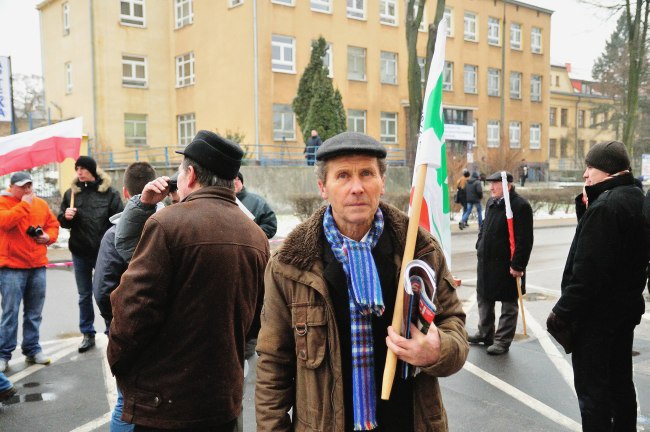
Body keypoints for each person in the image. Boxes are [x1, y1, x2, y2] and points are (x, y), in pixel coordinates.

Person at [255, 131, 468, 431]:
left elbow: (455, 329)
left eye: (367, 173)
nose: (356, 187)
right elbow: (273, 367)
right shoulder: (290, 265)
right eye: (342, 176)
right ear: (323, 188)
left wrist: (437, 351)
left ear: (381, 182)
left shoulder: (419, 250)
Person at [107, 130, 269, 431]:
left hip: (166, 405)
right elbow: (257, 319)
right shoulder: (256, 236)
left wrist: (119, 362)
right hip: (223, 401)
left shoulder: (168, 223)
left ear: (190, 174)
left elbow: (133, 310)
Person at [546, 141, 648, 430]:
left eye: (590, 167)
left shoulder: (606, 207)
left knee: (594, 395)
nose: (585, 174)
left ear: (608, 170)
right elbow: (608, 250)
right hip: (622, 312)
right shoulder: (634, 198)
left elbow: (589, 270)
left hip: (595, 319)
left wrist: (561, 313)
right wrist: (587, 208)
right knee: (620, 384)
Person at [92, 162, 157, 432]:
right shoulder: (166, 226)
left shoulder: (113, 235)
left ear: (125, 193)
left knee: (126, 398)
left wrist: (116, 325)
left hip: (126, 330)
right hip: (160, 329)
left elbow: (103, 289)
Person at [58, 156, 123, 353]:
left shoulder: (110, 193)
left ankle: (111, 330)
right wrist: (65, 217)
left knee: (108, 292)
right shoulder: (72, 193)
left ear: (92, 170)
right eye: (77, 168)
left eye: (83, 168)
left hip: (104, 252)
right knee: (84, 294)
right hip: (80, 251)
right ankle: (87, 333)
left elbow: (119, 219)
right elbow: (62, 221)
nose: (79, 172)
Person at [467, 172, 533, 355]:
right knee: (483, 297)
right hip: (487, 262)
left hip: (507, 265)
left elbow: (525, 239)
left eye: (495, 184)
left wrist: (518, 265)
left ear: (507, 186)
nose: (491, 188)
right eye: (490, 184)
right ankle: (485, 332)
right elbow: (484, 227)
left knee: (508, 303)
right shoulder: (491, 203)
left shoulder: (520, 206)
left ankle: (502, 340)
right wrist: (479, 244)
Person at [0, 172, 60, 373]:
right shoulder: (3, 202)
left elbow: (53, 225)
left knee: (34, 313)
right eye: (22, 186)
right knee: (10, 313)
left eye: (29, 186)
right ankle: (3, 354)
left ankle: (32, 349)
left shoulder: (40, 204)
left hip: (37, 265)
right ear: (12, 187)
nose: (27, 190)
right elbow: (6, 222)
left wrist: (48, 237)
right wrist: (24, 204)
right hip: (11, 268)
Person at [234, 172, 277, 239]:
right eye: (230, 179)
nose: (234, 182)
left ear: (242, 182)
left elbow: (270, 227)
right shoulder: (219, 202)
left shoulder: (258, 202)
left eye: (236, 179)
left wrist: (252, 234)